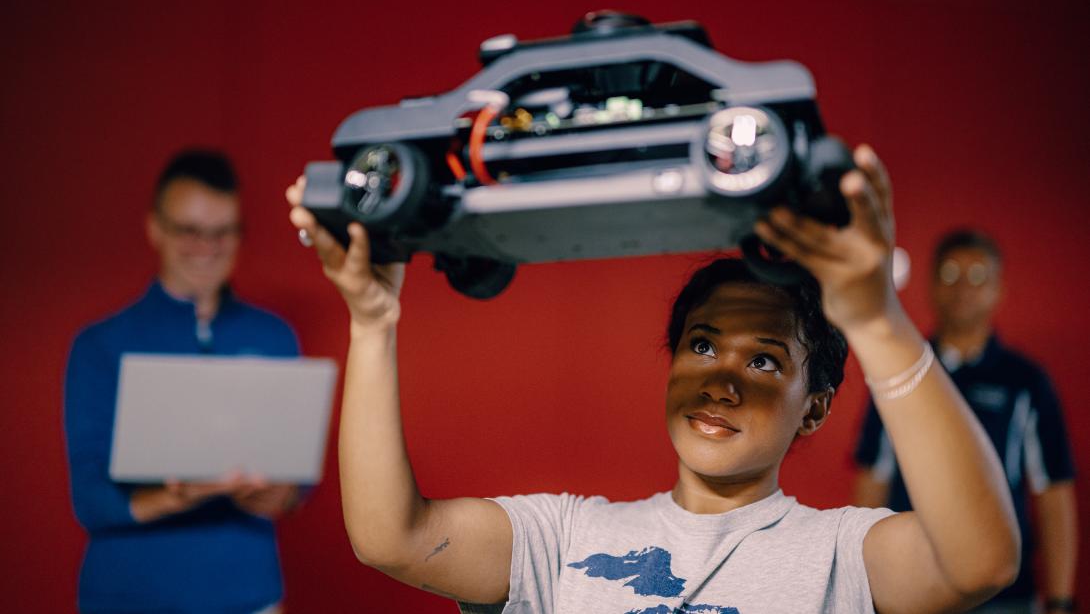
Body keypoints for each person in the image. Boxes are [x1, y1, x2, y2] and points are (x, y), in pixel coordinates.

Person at [288, 145, 1020, 613]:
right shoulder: (564, 534)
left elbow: (983, 559)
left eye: (764, 360)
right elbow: (392, 537)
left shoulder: (842, 554)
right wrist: (373, 322)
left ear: (815, 409)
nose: (722, 381)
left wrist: (880, 321)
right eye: (703, 345)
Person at [65, 149, 302, 614]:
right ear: (155, 228)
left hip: (248, 593)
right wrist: (175, 496)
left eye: (222, 232)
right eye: (189, 230)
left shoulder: (274, 336)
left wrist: (277, 493)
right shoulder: (100, 345)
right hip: (127, 595)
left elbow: (295, 485)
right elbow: (89, 499)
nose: (206, 246)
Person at [854, 229, 1078, 614]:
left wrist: (1060, 598)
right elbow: (873, 479)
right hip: (913, 587)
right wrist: (859, 586)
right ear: (930, 285)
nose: (963, 288)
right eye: (950, 274)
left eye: (977, 277)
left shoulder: (1025, 381)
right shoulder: (900, 373)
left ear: (998, 289)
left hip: (1005, 594)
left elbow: (1053, 491)